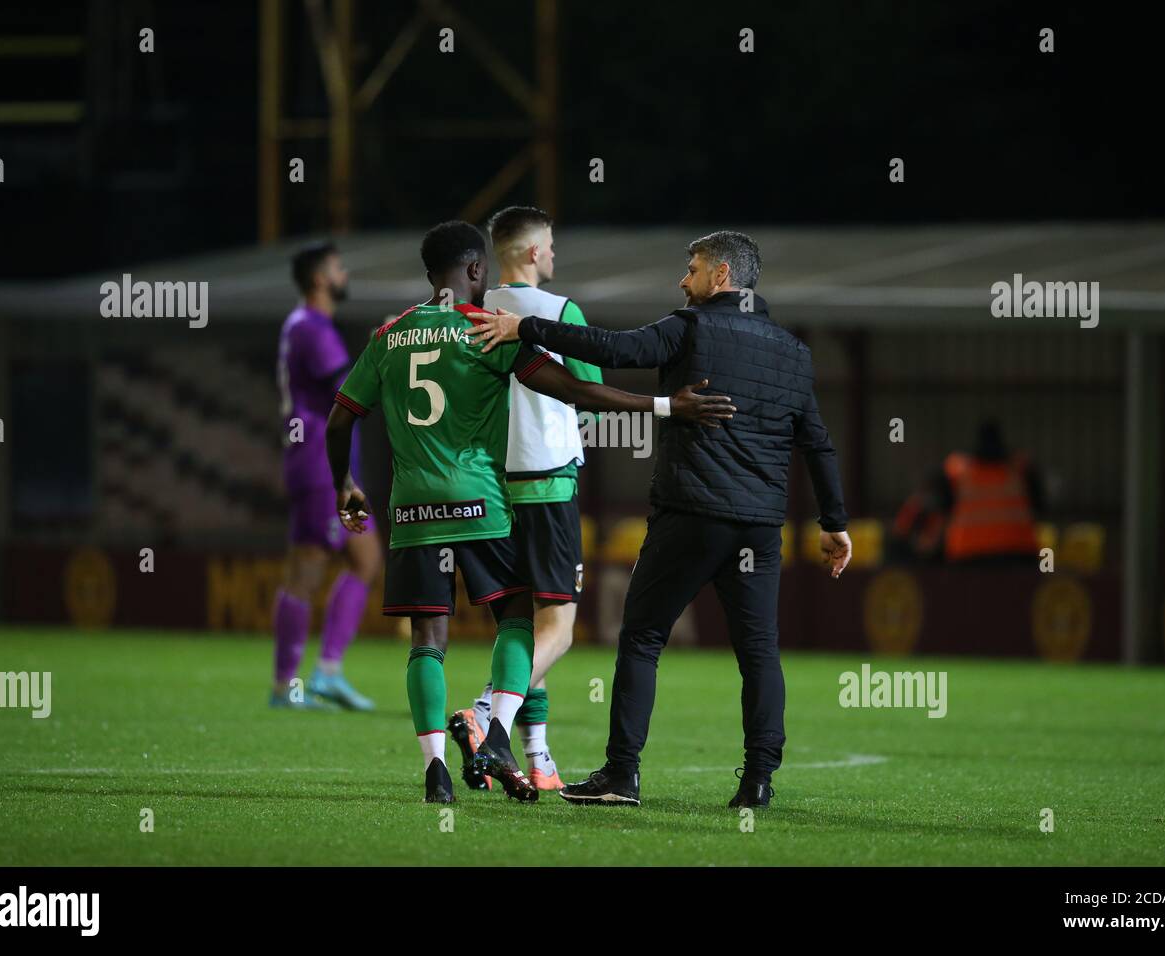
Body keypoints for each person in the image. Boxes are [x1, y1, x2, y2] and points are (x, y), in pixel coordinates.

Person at [324, 221, 735, 803]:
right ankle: (496, 731)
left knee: (426, 640)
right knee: (524, 619)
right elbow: (574, 390)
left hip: (412, 510)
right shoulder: (486, 332)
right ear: (473, 270)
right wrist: (667, 405)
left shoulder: (389, 335)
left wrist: (345, 484)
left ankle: (435, 773)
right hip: (483, 505)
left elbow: (339, 419)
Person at [468, 230, 851, 808]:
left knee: (644, 638)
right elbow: (817, 443)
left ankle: (622, 775)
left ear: (721, 276)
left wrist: (526, 329)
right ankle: (758, 782)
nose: (683, 279)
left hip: (691, 513)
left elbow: (611, 349)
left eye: (692, 268)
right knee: (759, 653)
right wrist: (833, 521)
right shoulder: (793, 352)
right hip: (757, 527)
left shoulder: (690, 328)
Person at [448, 206, 603, 793]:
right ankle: (485, 716)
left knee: (521, 628)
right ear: (535, 252)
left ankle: (538, 755)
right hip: (546, 483)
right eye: (553, 246)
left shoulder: (466, 314)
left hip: (487, 490)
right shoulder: (560, 312)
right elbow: (586, 391)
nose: (556, 257)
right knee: (558, 629)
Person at [270, 241, 379, 712]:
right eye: (338, 267)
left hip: (316, 461)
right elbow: (347, 388)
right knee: (309, 570)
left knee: (364, 558)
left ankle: (324, 673)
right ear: (320, 279)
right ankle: (289, 686)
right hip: (320, 465)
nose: (344, 273)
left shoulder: (303, 326)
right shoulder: (312, 328)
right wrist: (381, 352)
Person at [937, 420, 1043, 565]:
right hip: (1018, 554)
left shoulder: (958, 473)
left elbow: (943, 509)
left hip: (968, 555)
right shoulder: (1021, 471)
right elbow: (1041, 506)